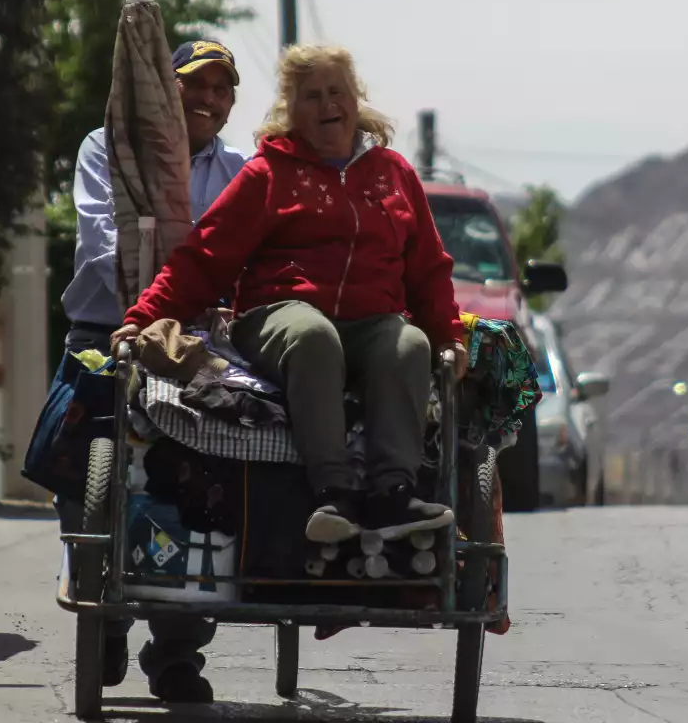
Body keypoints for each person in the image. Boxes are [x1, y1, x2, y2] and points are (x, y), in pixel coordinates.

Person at [111, 42, 470, 547]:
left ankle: (394, 492)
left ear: (355, 100)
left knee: (410, 344)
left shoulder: (395, 174)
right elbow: (204, 256)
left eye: (337, 92)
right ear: (292, 110)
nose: (328, 105)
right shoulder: (268, 174)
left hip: (372, 321)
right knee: (314, 335)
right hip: (277, 316)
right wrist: (144, 316)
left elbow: (429, 269)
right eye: (312, 96)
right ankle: (333, 493)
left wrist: (448, 336)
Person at [54, 39, 245, 703]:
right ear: (167, 88)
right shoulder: (107, 149)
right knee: (78, 476)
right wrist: (184, 276)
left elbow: (246, 257)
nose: (209, 99)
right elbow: (102, 240)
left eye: (222, 89)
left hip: (194, 343)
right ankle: (102, 612)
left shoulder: (240, 171)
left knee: (202, 488)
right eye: (197, 84)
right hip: (104, 331)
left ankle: (176, 653)